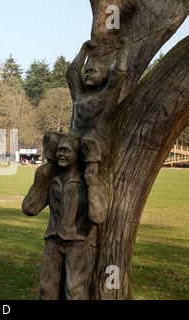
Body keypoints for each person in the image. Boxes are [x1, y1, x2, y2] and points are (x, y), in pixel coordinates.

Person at [24, 136, 102, 300]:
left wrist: (92, 182)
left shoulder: (87, 181)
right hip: (53, 240)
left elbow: (98, 216)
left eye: (66, 150)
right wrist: (40, 180)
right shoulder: (53, 181)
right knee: (46, 290)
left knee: (75, 291)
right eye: (59, 150)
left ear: (77, 154)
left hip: (80, 242)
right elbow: (29, 209)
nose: (61, 153)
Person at [66, 37, 131, 223]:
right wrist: (83, 51)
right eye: (86, 72)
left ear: (103, 75)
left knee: (89, 141)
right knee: (52, 139)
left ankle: (93, 188)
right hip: (76, 139)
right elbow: (71, 73)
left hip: (97, 142)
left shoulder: (107, 95)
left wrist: (125, 47)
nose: (87, 75)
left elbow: (119, 72)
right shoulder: (79, 94)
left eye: (92, 72)